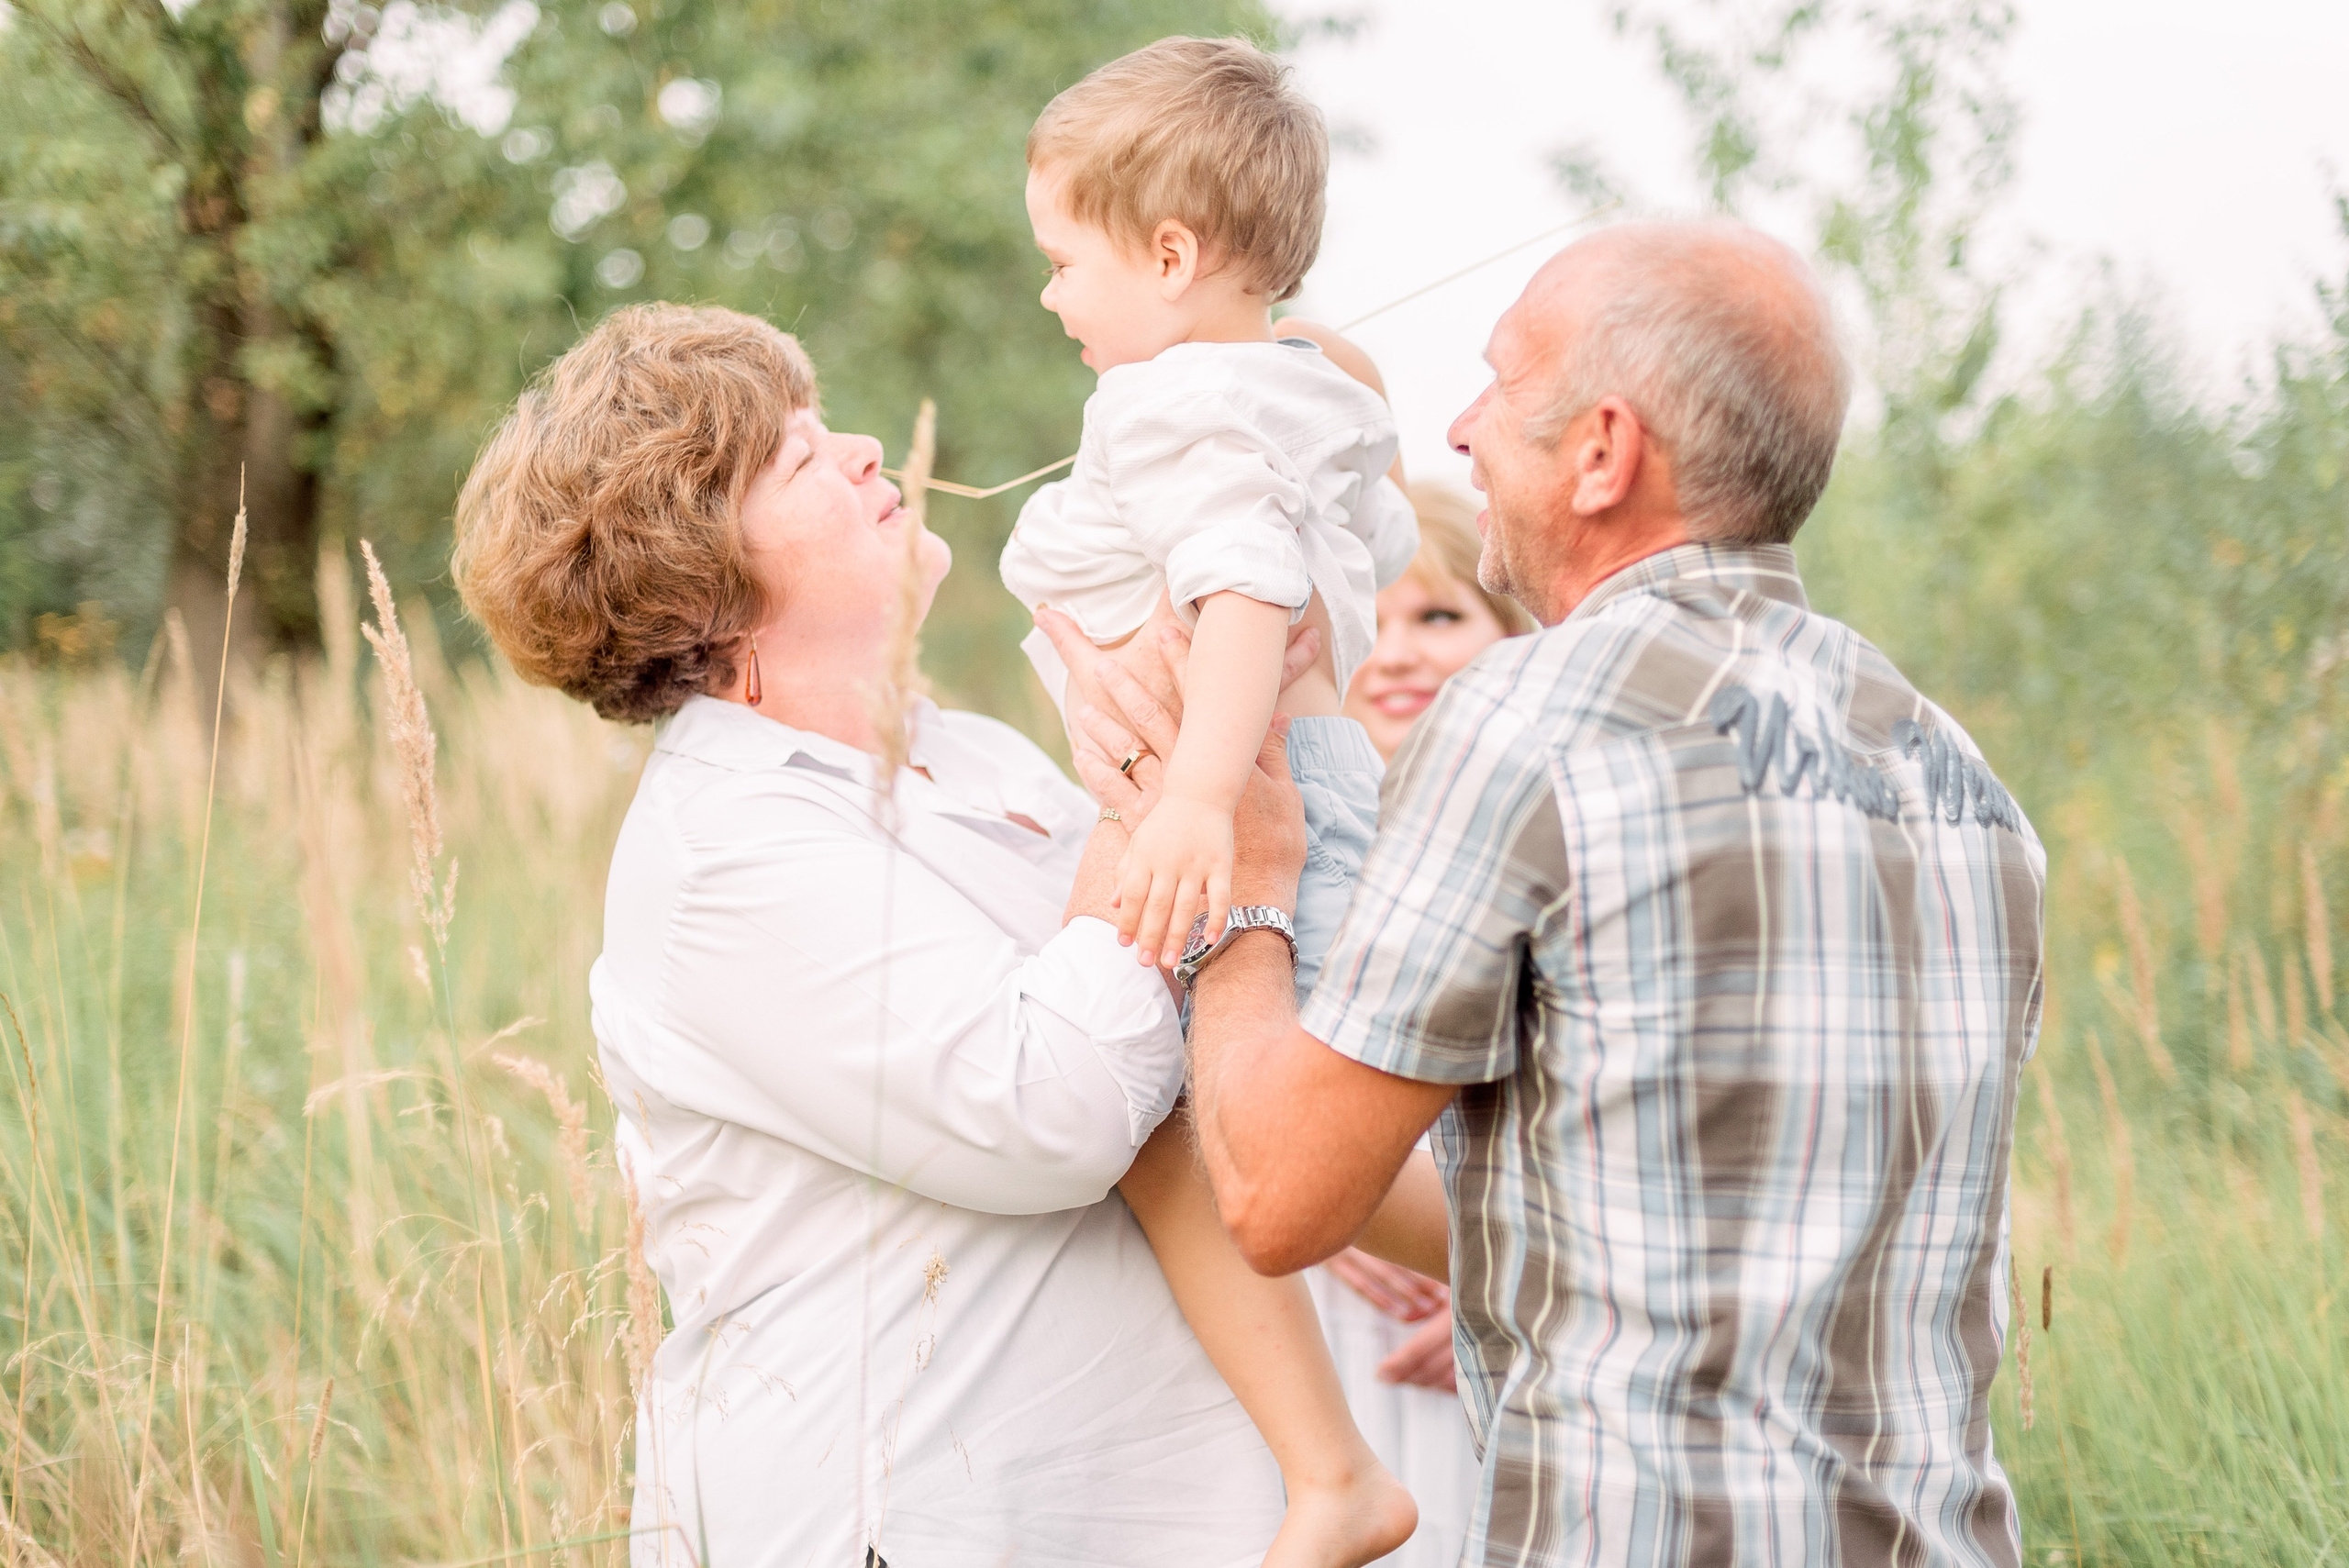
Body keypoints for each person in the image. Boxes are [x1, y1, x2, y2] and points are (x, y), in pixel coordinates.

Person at [1084, 220, 2051, 1567]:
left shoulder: (1528, 721)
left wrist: (1249, 881)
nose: (1462, 429)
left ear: (1603, 452)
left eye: (1499, 383)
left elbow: (1279, 1197)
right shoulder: (1960, 776)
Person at [448, 304, 1397, 1567]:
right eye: (800, 457)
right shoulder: (725, 846)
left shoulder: (972, 754)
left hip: (1130, 1505)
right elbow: (1055, 1109)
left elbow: (1186, 1018)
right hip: (915, 1518)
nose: (861, 451)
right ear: (700, 585)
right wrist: (1155, 797)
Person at [1002, 34, 1420, 1561]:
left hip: (1236, 794)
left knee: (1184, 1123)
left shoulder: (1172, 403)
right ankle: (1333, 1463)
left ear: (1171, 256)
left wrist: (1192, 799)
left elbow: (1249, 579)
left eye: (1065, 260)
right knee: (1186, 1124)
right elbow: (1365, 548)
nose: (1050, 296)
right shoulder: (1288, 392)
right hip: (1287, 775)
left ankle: (1340, 1458)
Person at [1300, 481, 1535, 1568]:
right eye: (1371, 618)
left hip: (1517, 1297)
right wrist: (1330, 1214)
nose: (1395, 653)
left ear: (1511, 637)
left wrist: (1502, 1283)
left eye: (1438, 616)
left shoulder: (1541, 829)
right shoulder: (1280, 834)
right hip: (1324, 1307)